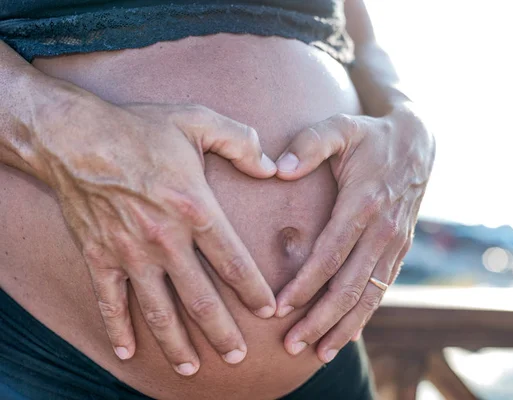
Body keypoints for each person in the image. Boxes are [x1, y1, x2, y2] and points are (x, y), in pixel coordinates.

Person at [0, 0, 435, 399]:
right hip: (46, 358)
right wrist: (56, 129)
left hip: (327, 362)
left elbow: (359, 32)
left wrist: (409, 122)